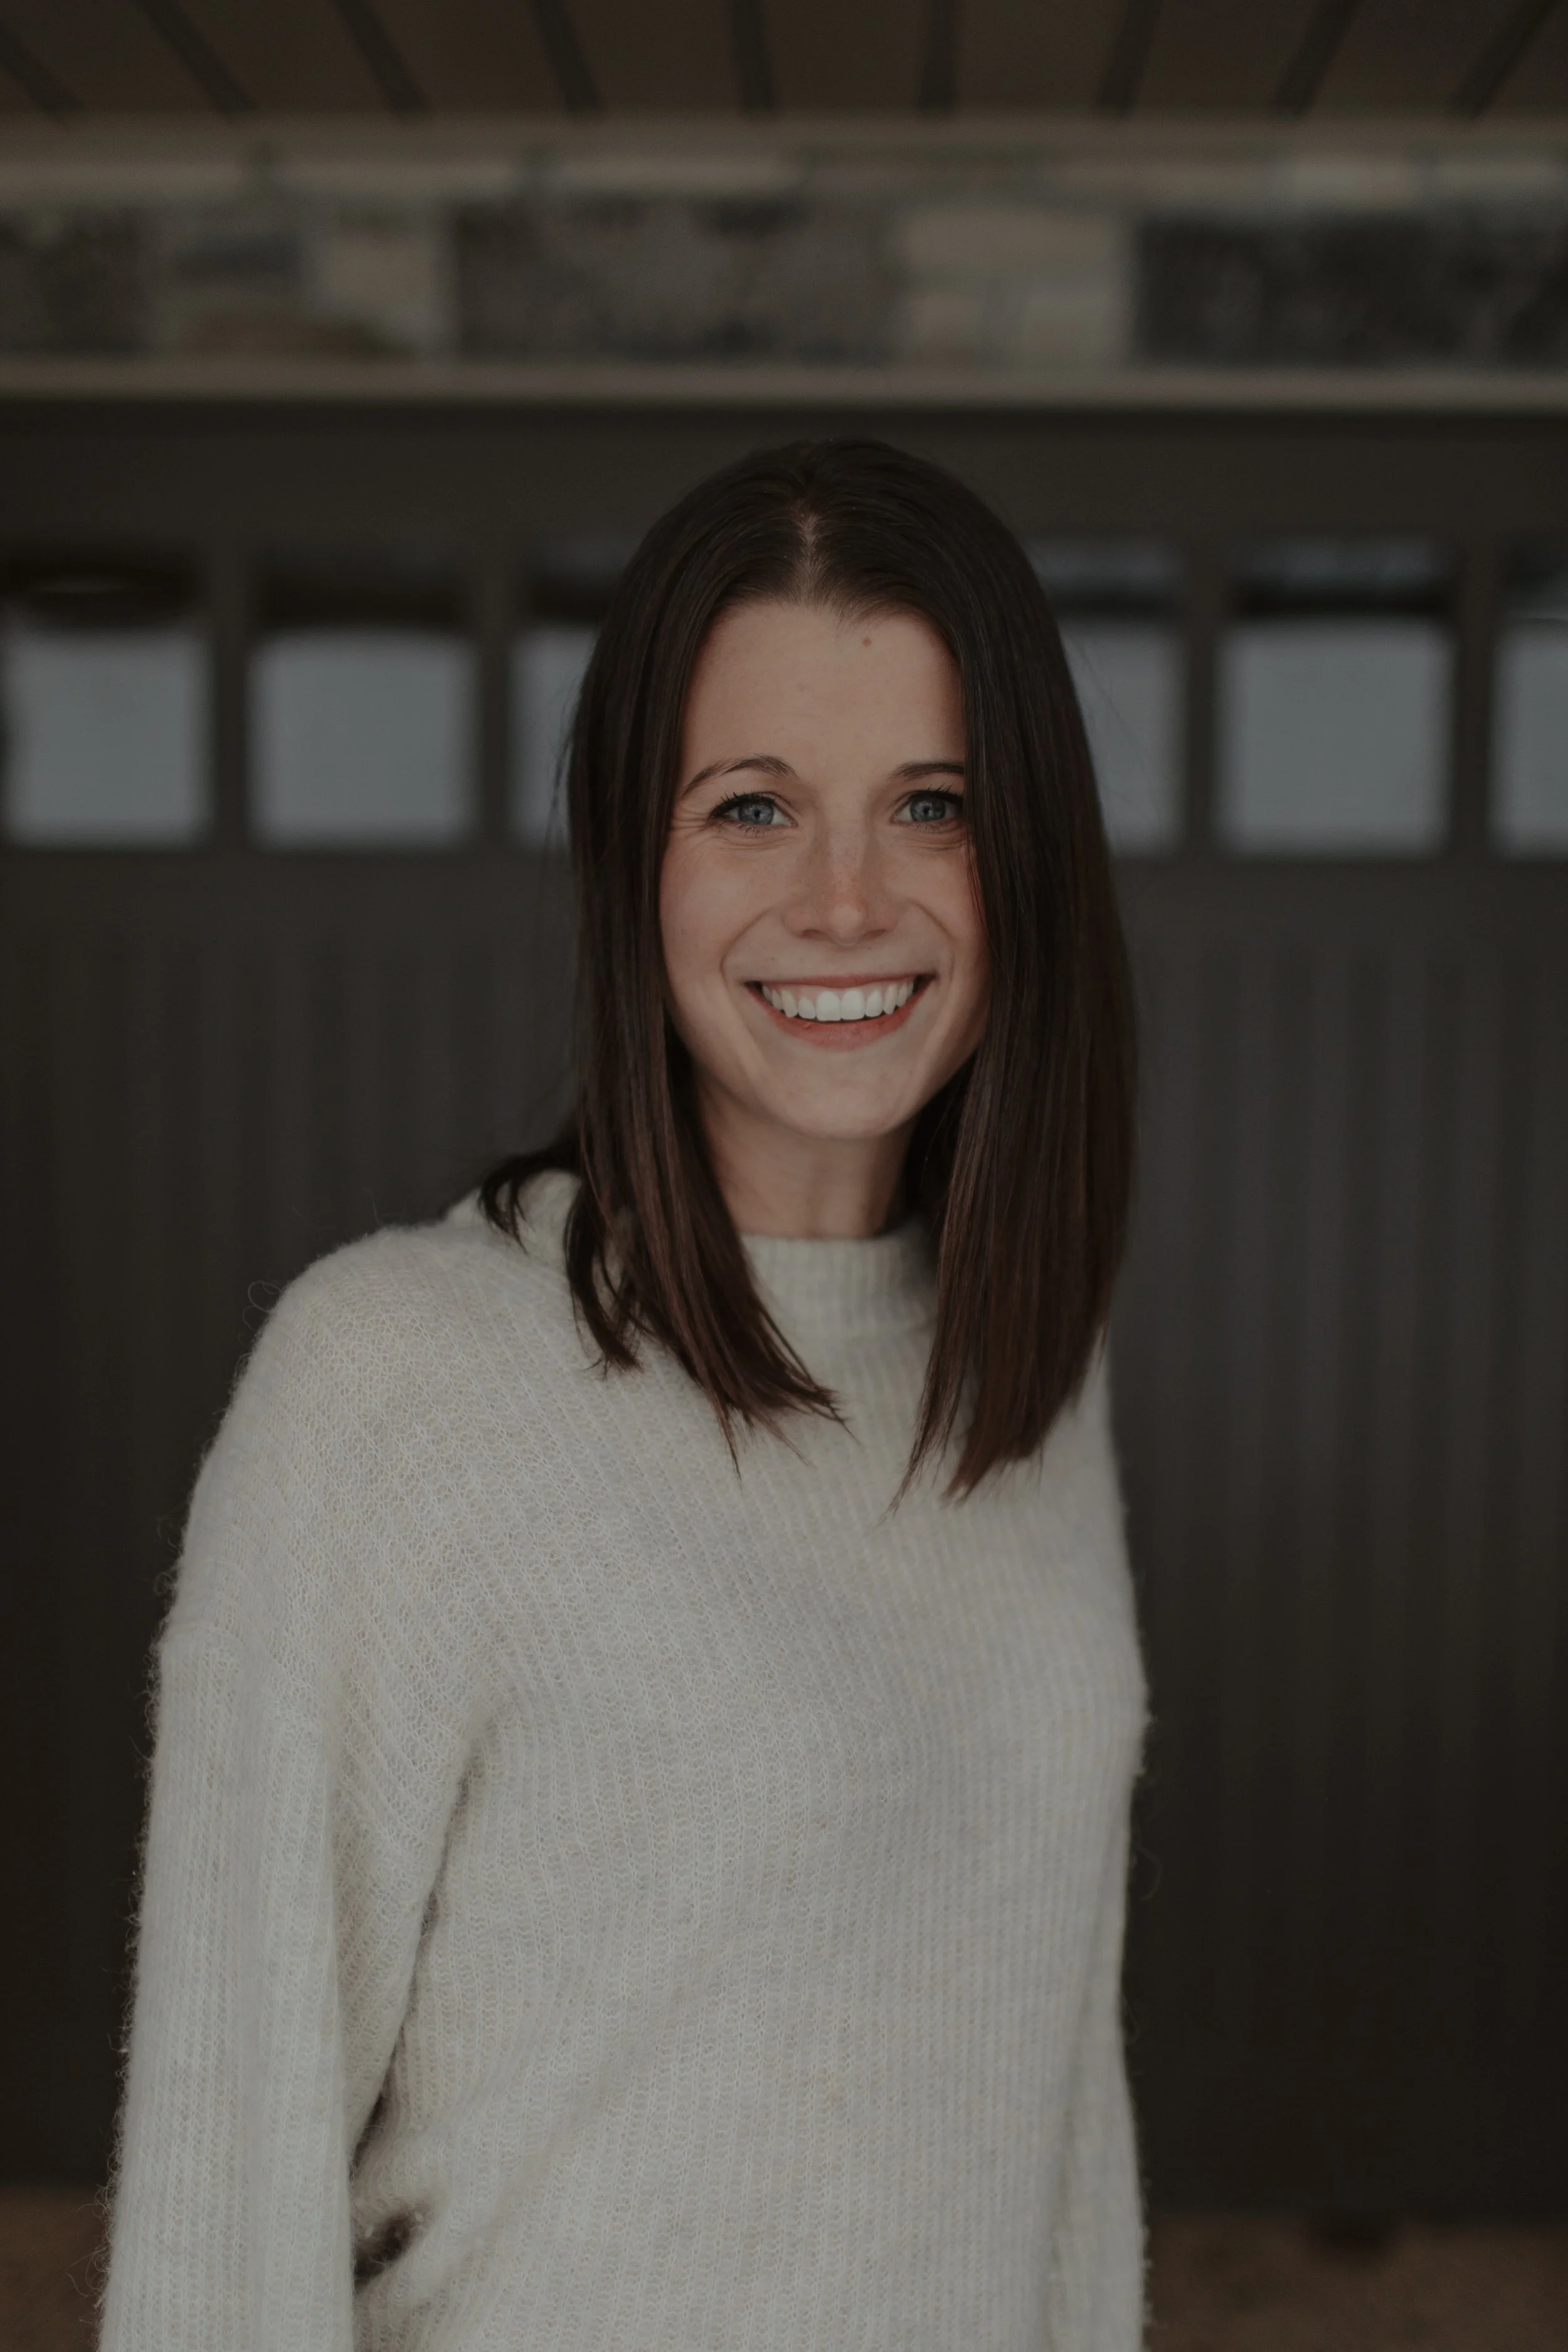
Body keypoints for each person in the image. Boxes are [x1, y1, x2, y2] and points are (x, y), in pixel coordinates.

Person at [101, 438, 1147, 2350]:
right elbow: (222, 2182)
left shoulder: (1027, 1383)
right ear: (630, 866)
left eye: (931, 802)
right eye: (751, 807)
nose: (846, 897)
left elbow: (1056, 2121)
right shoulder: (398, 1386)